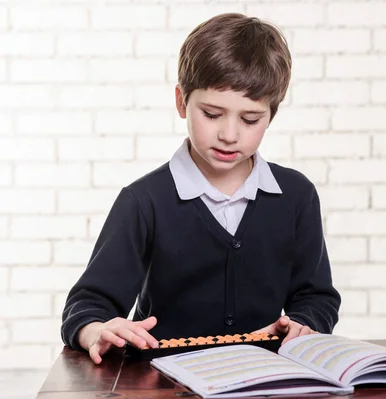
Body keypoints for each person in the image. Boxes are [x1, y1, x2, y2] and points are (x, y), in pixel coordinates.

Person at [60, 13, 341, 365]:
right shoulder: (143, 201)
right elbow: (86, 307)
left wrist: (304, 325)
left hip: (264, 375)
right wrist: (96, 330)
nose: (229, 134)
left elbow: (317, 298)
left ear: (271, 116)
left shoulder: (296, 195)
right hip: (162, 380)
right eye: (211, 114)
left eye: (250, 119)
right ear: (182, 102)